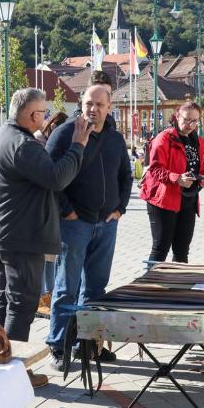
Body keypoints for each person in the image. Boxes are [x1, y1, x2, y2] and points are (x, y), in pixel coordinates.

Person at [0, 88, 89, 388]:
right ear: (31, 115)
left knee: (3, 300)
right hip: (20, 237)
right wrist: (78, 145)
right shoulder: (23, 144)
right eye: (42, 112)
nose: (45, 117)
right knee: (21, 304)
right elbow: (56, 178)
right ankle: (12, 376)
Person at [45, 85, 132, 370]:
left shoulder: (116, 139)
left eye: (99, 104)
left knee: (96, 288)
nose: (92, 109)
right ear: (80, 104)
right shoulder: (64, 134)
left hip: (106, 224)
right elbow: (50, 178)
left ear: (109, 107)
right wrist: (67, 211)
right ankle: (58, 345)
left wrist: (120, 208)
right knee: (66, 288)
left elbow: (125, 176)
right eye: (87, 103)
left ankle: (89, 344)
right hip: (75, 224)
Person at [139, 102, 204, 263]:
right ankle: (152, 286)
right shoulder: (165, 138)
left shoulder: (198, 141)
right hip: (163, 200)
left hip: (188, 199)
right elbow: (155, 169)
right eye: (187, 120)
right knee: (160, 249)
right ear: (177, 116)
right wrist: (177, 178)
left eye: (195, 121)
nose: (190, 125)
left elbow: (203, 167)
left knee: (182, 251)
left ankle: (177, 286)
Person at [33, 111, 69, 316]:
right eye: (57, 126)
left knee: (51, 256)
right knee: (45, 256)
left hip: (52, 206)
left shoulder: (50, 141)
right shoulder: (40, 142)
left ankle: (48, 294)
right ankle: (41, 297)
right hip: (42, 207)